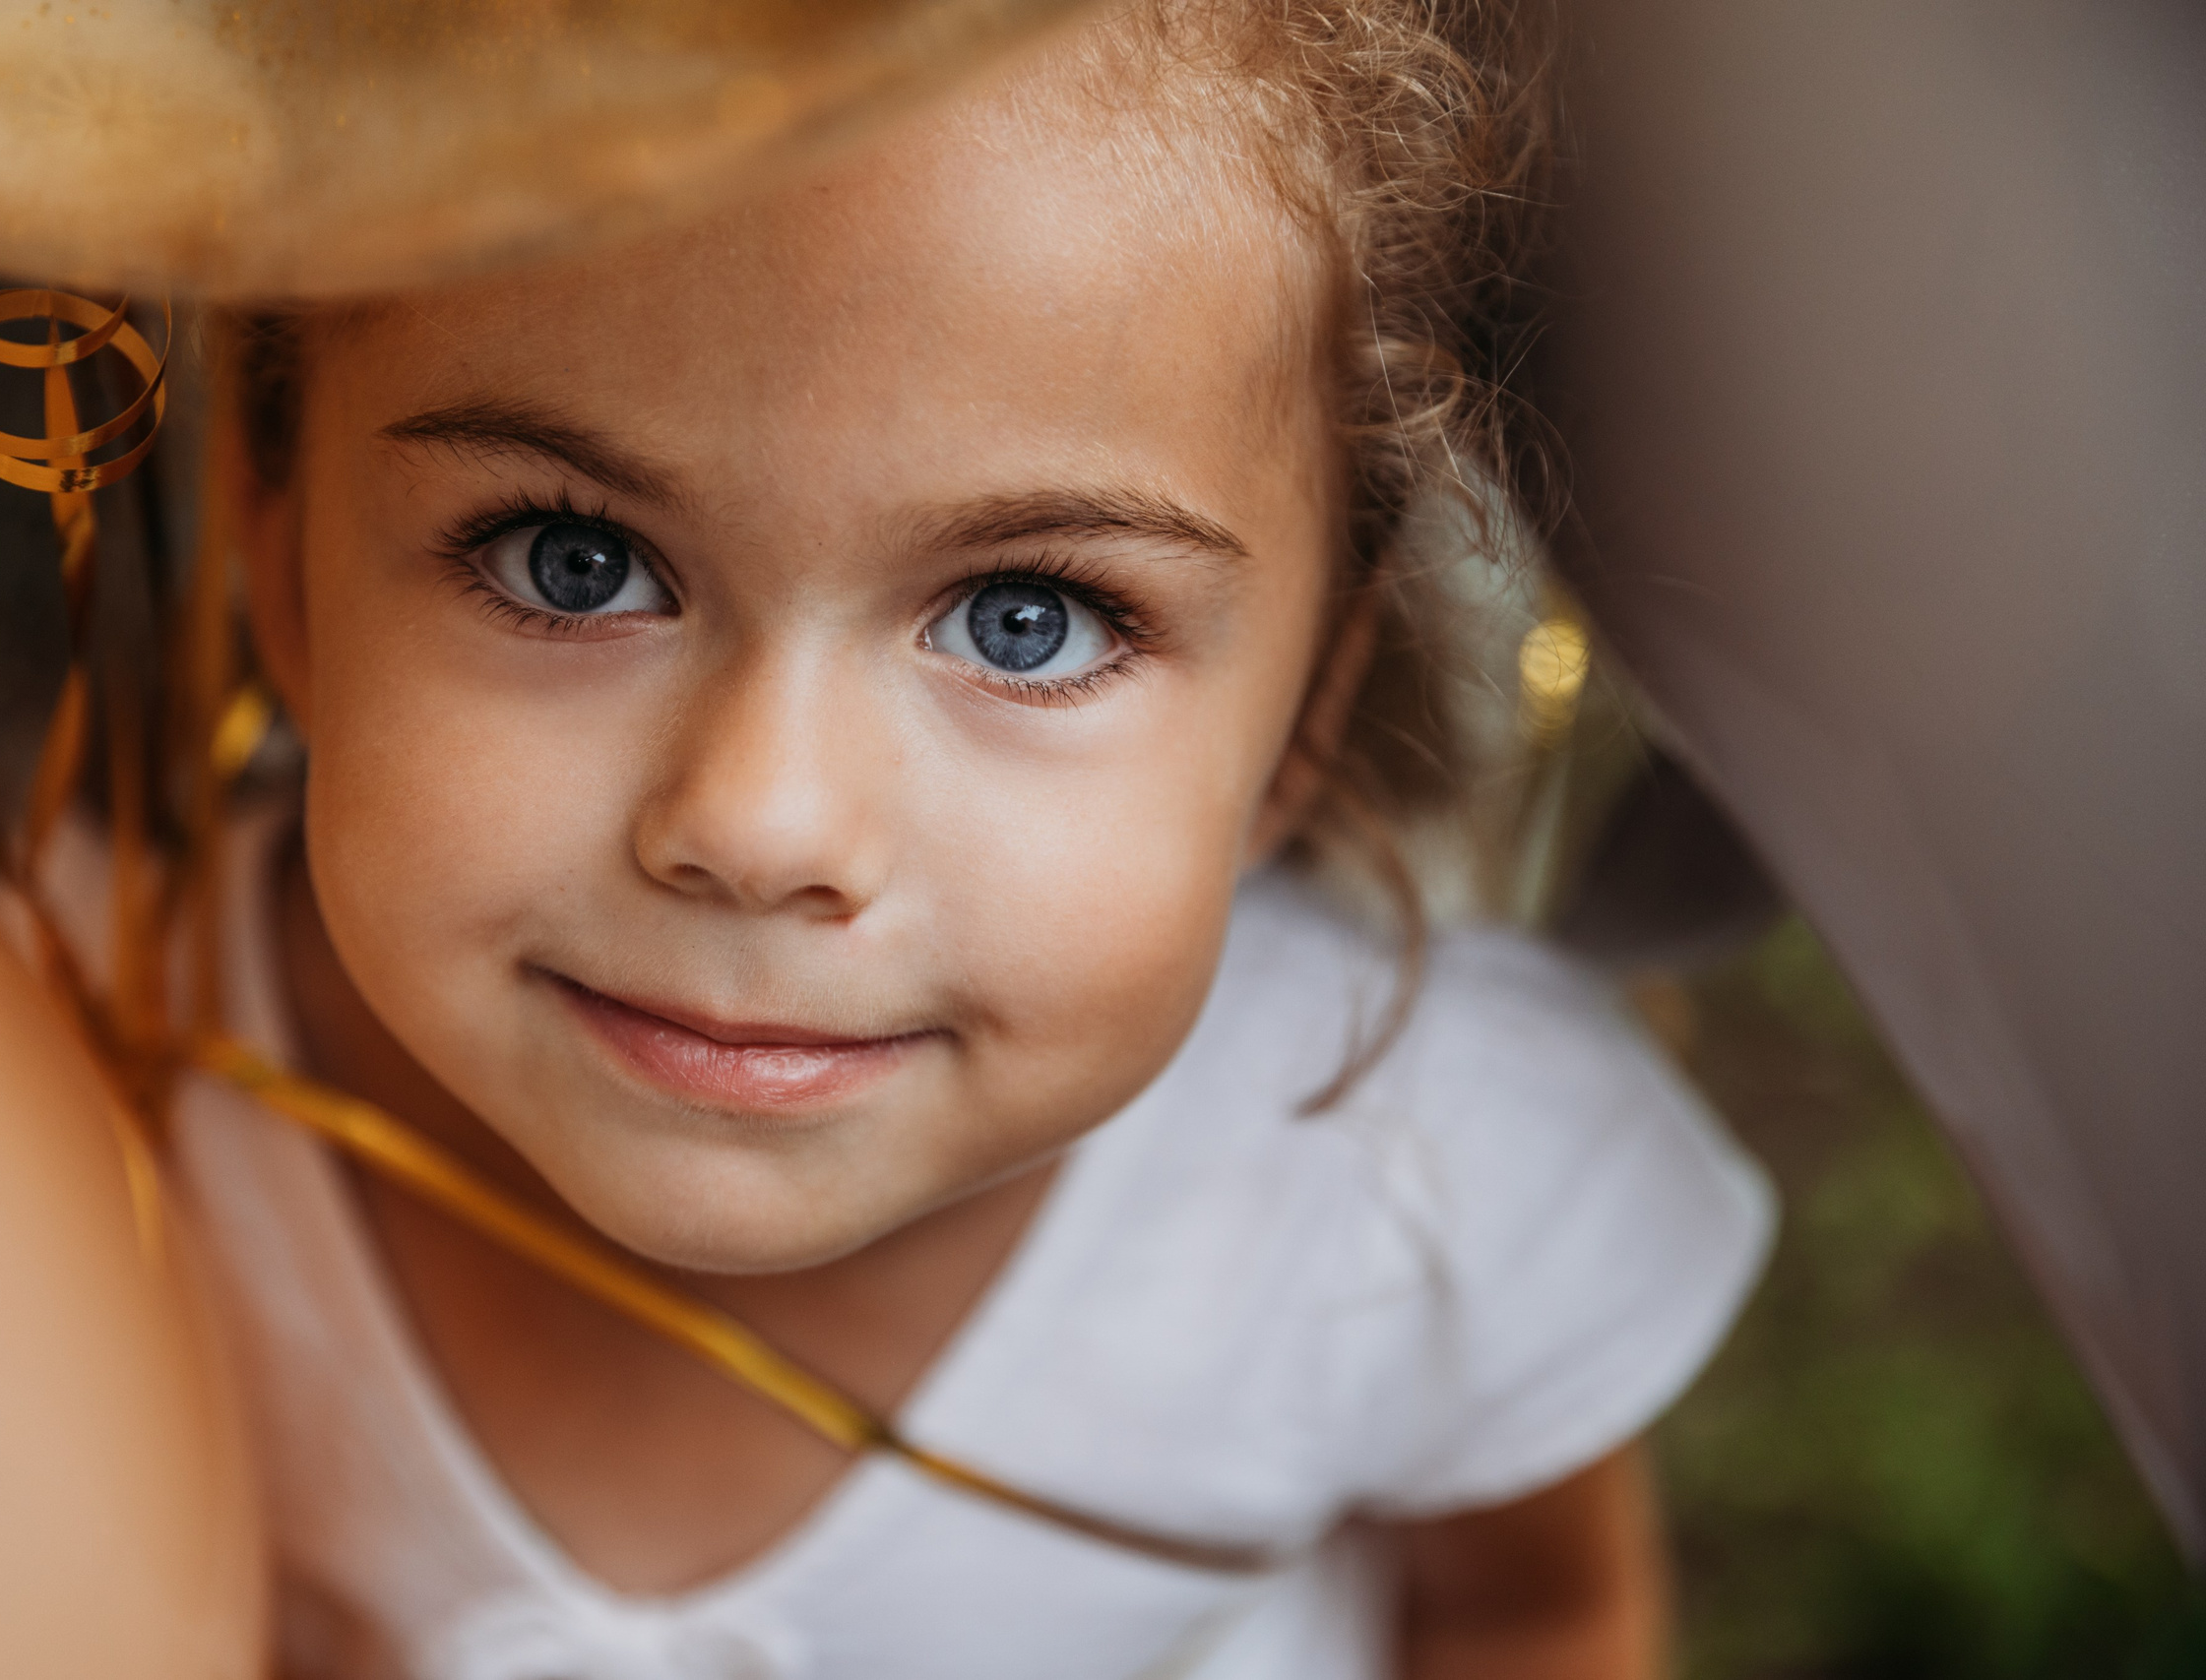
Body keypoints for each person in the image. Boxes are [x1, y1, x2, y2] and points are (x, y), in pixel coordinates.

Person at [165, 3, 1775, 1675]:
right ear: (281, 573)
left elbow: (1532, 1609)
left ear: (1303, 709)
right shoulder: (94, 1067)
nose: (759, 823)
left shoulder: (1412, 1190)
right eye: (573, 560)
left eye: (1028, 621)